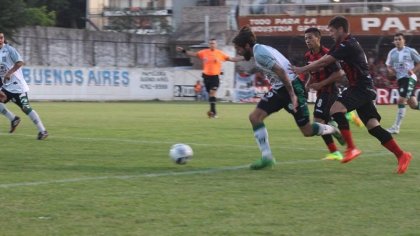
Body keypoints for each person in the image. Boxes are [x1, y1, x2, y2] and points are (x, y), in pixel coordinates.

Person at [292, 16, 411, 174]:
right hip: (363, 88)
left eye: (332, 31)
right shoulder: (341, 45)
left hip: (360, 87)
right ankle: (402, 155)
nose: (331, 34)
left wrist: (301, 70)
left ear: (341, 29)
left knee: (335, 110)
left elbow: (324, 62)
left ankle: (351, 148)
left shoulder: (348, 44)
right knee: (373, 127)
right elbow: (323, 60)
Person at [232, 26, 345, 170]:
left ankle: (332, 129)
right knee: (255, 117)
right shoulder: (258, 50)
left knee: (308, 131)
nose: (238, 51)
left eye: (239, 48)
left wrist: (292, 95)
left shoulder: (260, 53)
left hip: (292, 87)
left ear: (247, 45)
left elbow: (281, 71)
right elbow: (259, 61)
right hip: (280, 89)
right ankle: (267, 157)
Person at [303, 27, 346, 161]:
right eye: (305, 39)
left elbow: (339, 73)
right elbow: (311, 73)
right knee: (323, 123)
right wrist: (306, 85)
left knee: (317, 122)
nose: (307, 41)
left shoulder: (328, 54)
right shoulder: (308, 55)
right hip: (320, 93)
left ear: (318, 38)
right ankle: (335, 151)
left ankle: (335, 130)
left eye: (310, 38)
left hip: (329, 92)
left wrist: (321, 84)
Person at [176, 39, 244, 118]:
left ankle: (213, 112)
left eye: (214, 43)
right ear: (209, 45)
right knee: (210, 94)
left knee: (212, 92)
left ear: (216, 44)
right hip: (206, 77)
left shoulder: (220, 53)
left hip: (215, 77)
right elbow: (193, 54)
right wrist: (183, 51)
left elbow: (232, 59)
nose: (212, 45)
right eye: (211, 43)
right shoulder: (204, 52)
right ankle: (212, 112)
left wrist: (243, 57)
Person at [0, 32, 48, 140]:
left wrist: (9, 73)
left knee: (26, 108)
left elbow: (20, 62)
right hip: (6, 87)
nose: (0, 39)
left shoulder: (9, 49)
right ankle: (13, 119)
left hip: (18, 86)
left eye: (1, 37)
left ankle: (43, 131)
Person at [385, 32, 420, 134]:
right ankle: (396, 127)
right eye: (395, 39)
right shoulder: (392, 53)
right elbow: (388, 65)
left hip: (409, 78)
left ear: (404, 40)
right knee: (413, 104)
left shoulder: (410, 51)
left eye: (399, 39)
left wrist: (413, 70)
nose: (397, 41)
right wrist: (390, 70)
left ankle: (396, 127)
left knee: (401, 100)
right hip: (400, 79)